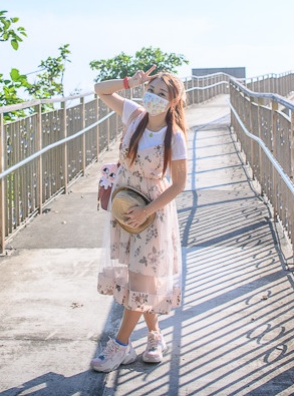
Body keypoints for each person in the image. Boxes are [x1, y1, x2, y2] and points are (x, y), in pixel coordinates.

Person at [90, 66, 187, 372]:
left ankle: (119, 346)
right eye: (152, 90)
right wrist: (131, 83)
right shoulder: (134, 115)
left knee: (140, 277)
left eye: (162, 94)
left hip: (151, 213)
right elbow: (100, 90)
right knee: (139, 276)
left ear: (173, 102)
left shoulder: (174, 136)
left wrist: (147, 210)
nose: (154, 97)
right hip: (124, 205)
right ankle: (155, 336)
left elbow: (179, 184)